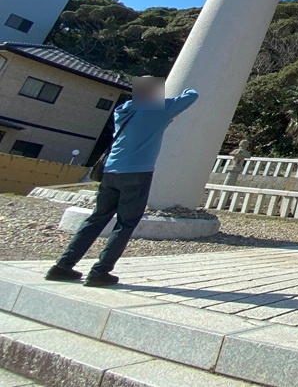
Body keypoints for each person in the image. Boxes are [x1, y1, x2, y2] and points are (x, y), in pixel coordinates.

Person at [46, 77, 198, 287]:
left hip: (111, 171)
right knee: (126, 223)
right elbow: (192, 95)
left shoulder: (123, 111)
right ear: (156, 94)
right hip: (138, 173)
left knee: (97, 218)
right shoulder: (159, 110)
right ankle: (99, 272)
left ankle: (62, 266)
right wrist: (178, 88)